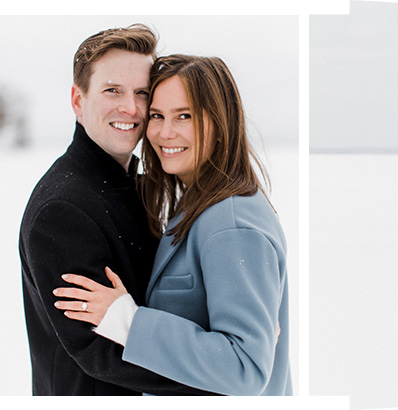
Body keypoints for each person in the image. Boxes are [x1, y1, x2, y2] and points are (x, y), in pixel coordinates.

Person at [52, 54, 292, 395]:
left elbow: (246, 369)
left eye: (185, 116)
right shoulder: (198, 204)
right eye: (157, 116)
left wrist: (129, 321)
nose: (165, 133)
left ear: (221, 124)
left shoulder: (233, 225)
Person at [19, 24, 212, 396]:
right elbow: (100, 351)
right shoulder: (62, 210)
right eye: (112, 91)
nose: (131, 108)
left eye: (142, 93)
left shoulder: (131, 183)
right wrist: (225, 373)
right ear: (78, 100)